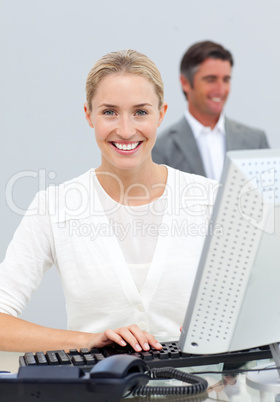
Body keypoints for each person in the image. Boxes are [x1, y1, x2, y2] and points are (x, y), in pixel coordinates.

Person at [0, 49, 217, 353]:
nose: (126, 130)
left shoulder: (211, 200)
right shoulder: (54, 207)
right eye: (109, 112)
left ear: (162, 114)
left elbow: (258, 306)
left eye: (141, 112)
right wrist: (86, 340)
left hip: (200, 393)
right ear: (89, 115)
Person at [152, 40, 269, 181]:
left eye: (226, 80)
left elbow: (269, 199)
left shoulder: (255, 141)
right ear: (185, 83)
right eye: (211, 79)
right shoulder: (161, 148)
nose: (220, 90)